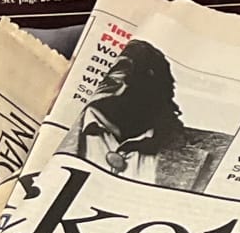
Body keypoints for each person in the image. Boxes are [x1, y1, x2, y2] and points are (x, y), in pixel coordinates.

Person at [72, 41, 183, 182]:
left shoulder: (193, 150)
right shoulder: (65, 131)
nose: (123, 89)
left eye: (138, 81)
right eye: (113, 81)